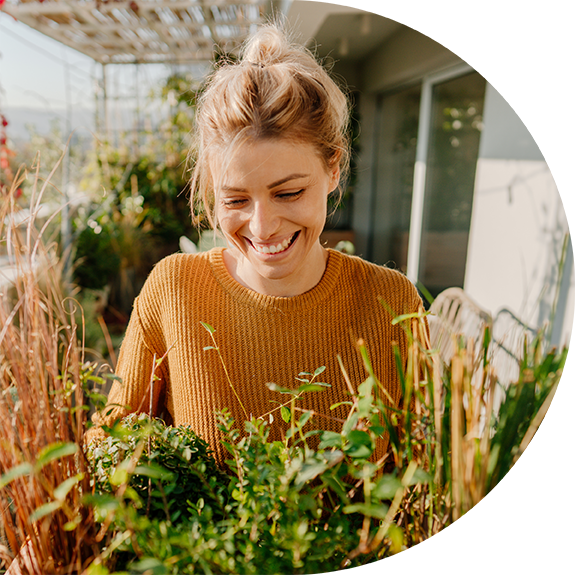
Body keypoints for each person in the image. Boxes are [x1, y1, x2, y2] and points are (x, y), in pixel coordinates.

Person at [91, 23, 424, 467]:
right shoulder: (174, 291)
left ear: (333, 170)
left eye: (288, 193)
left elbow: (425, 471)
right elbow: (111, 445)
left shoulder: (391, 303)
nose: (263, 226)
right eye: (235, 199)